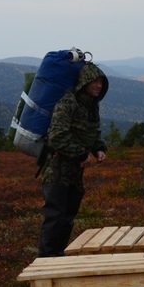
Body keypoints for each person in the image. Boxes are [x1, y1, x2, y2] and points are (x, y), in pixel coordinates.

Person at [37, 61, 109, 257]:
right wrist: (81, 153)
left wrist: (98, 148)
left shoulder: (91, 107)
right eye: (95, 82)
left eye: (101, 82)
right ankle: (46, 261)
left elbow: (91, 133)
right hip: (58, 168)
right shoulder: (68, 103)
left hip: (75, 171)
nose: (98, 86)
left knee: (68, 217)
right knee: (55, 216)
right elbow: (57, 135)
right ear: (84, 82)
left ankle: (57, 257)